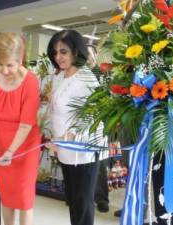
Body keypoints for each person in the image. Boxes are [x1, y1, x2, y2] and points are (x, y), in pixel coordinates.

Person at [0, 32, 41, 225]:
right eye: (0, 64)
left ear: (20, 60)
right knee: (6, 195)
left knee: (23, 198)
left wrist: (11, 151)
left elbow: (26, 124)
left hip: (25, 146)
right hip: (0, 142)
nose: (4, 70)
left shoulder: (31, 81)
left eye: (10, 65)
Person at [46, 29, 102, 225]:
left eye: (63, 52)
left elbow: (92, 115)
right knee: (73, 202)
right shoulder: (60, 76)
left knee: (83, 204)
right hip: (64, 150)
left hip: (82, 152)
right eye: (55, 52)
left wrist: (67, 138)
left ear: (76, 52)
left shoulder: (86, 78)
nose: (58, 57)